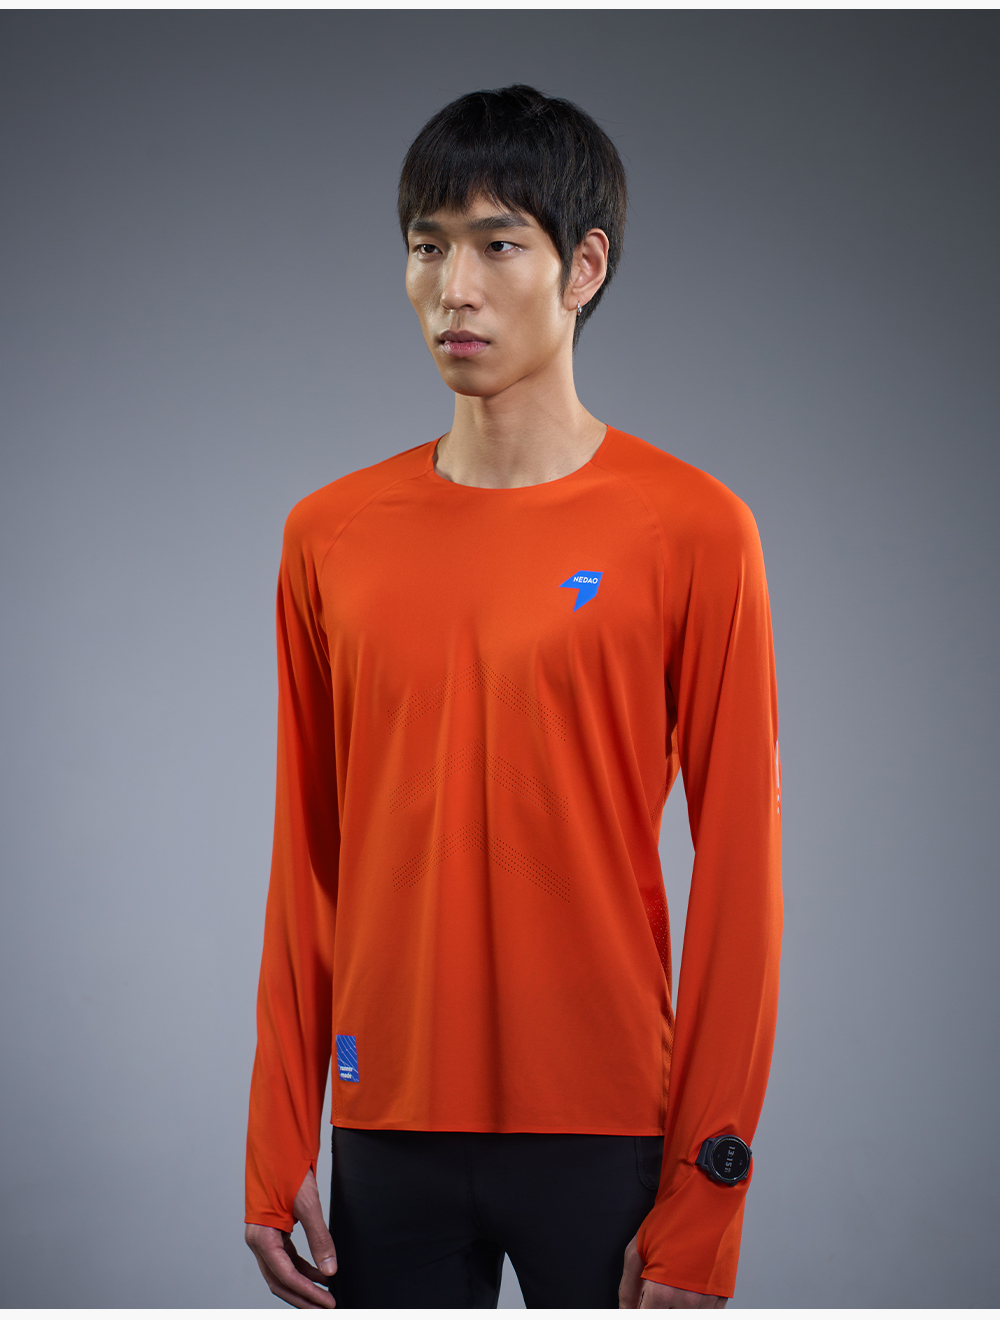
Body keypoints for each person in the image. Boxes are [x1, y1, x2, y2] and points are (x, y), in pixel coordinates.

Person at [243, 83, 782, 1309]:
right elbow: (306, 857)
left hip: (605, 1128)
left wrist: (709, 1190)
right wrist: (276, 1144)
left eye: (497, 245)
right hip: (385, 1121)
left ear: (581, 267)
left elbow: (741, 881)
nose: (454, 288)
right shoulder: (329, 534)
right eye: (427, 246)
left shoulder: (694, 529)